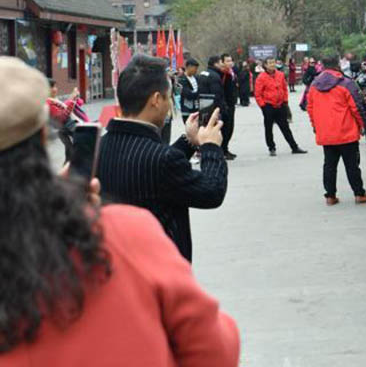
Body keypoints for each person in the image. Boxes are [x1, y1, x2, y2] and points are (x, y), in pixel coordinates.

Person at [0, 56, 239, 366]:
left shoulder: (101, 154)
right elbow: (214, 349)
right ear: (43, 137)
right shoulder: (124, 232)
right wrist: (210, 147)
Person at [97, 55, 229, 263]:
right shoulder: (162, 160)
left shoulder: (97, 147)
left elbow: (145, 166)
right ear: (156, 100)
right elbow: (212, 191)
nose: (170, 106)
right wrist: (211, 147)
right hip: (158, 270)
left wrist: (188, 141)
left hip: (115, 265)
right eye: (169, 98)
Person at [306, 56, 366, 206]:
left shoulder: (314, 85)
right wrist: (362, 125)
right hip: (346, 131)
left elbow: (310, 108)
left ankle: (330, 196)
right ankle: (359, 193)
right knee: (352, 165)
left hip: (326, 133)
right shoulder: (346, 83)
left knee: (329, 165)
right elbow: (356, 107)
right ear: (338, 65)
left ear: (323, 66)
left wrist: (316, 126)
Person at [255, 57, 307, 157]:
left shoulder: (280, 74)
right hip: (268, 106)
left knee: (285, 127)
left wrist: (285, 101)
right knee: (268, 128)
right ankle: (271, 147)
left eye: (273, 62)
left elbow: (284, 88)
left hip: (280, 105)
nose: (272, 65)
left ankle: (294, 147)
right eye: (270, 63)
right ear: (265, 65)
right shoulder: (261, 77)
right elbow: (258, 94)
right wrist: (263, 106)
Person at [219, 53, 238, 160]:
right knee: (225, 129)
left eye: (231, 61)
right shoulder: (222, 74)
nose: (230, 63)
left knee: (230, 128)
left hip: (231, 104)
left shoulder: (231, 72)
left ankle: (225, 148)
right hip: (225, 105)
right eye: (227, 61)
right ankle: (222, 150)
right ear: (222, 62)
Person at [179, 58, 200, 123]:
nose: (196, 70)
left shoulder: (196, 77)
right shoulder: (182, 79)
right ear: (189, 67)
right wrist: (199, 92)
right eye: (195, 68)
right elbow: (188, 95)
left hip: (197, 108)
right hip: (187, 110)